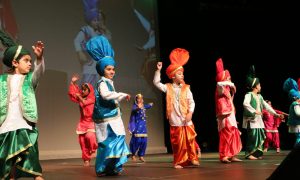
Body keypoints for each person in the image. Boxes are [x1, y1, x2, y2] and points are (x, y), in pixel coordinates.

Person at [0, 30, 45, 180]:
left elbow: (39, 71)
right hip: (6, 122)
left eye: (30, 61)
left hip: (24, 121)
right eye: (26, 60)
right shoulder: (2, 80)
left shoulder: (29, 79)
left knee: (29, 150)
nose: (30, 63)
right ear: (14, 63)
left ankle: (37, 176)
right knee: (7, 155)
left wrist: (39, 58)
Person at [85, 35, 131, 176]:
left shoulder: (109, 82)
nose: (112, 71)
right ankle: (101, 168)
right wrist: (121, 94)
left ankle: (113, 166)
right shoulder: (102, 83)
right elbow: (105, 95)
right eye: (109, 69)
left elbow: (111, 97)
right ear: (102, 70)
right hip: (105, 118)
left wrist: (119, 97)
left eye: (113, 69)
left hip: (114, 116)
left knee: (119, 138)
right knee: (106, 143)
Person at [153, 48, 200, 169]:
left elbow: (192, 102)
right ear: (173, 76)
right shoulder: (168, 87)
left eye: (182, 73)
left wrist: (190, 112)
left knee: (190, 139)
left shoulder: (186, 88)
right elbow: (156, 83)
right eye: (179, 73)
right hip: (175, 119)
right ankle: (179, 161)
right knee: (178, 142)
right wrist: (158, 70)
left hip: (186, 117)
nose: (182, 75)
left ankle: (192, 158)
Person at [242, 65, 284, 160]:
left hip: (259, 120)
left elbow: (267, 107)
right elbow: (245, 104)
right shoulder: (248, 95)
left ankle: (256, 153)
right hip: (251, 119)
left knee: (260, 136)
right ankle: (249, 154)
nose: (260, 86)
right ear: (255, 86)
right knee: (252, 137)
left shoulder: (260, 97)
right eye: (259, 85)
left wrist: (276, 115)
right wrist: (255, 111)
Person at [74, 0, 112, 87]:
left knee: (98, 90)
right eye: (95, 20)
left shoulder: (101, 33)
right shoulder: (86, 30)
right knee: (88, 87)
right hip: (89, 67)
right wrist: (80, 53)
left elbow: (108, 41)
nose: (97, 22)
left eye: (99, 20)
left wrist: (104, 30)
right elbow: (77, 40)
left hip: (99, 68)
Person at [215, 58, 242, 163]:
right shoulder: (220, 89)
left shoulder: (227, 90)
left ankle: (232, 154)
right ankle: (224, 155)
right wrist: (230, 84)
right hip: (224, 116)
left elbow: (230, 103)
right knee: (226, 134)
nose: (230, 80)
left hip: (230, 115)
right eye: (228, 78)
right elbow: (219, 84)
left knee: (234, 133)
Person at [68, 74, 98, 167]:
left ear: (89, 90)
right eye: (83, 89)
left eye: (85, 89)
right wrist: (73, 82)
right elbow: (73, 93)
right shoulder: (82, 96)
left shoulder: (92, 98)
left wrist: (79, 96)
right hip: (82, 122)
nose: (83, 91)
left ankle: (93, 149)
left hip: (90, 122)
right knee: (82, 142)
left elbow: (85, 103)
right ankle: (86, 160)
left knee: (90, 137)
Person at [128, 93, 153, 163]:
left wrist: (150, 104)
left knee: (144, 142)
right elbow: (134, 110)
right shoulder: (135, 106)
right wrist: (138, 108)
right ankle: (133, 154)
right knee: (137, 141)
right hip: (137, 126)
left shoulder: (143, 106)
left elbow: (147, 106)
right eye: (139, 98)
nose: (140, 99)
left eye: (141, 98)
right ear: (136, 100)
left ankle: (141, 155)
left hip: (143, 127)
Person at [283, 78, 300, 147]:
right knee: (299, 137)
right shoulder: (295, 104)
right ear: (296, 98)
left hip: (297, 123)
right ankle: (296, 151)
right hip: (297, 124)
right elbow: (298, 113)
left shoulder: (294, 104)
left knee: (298, 137)